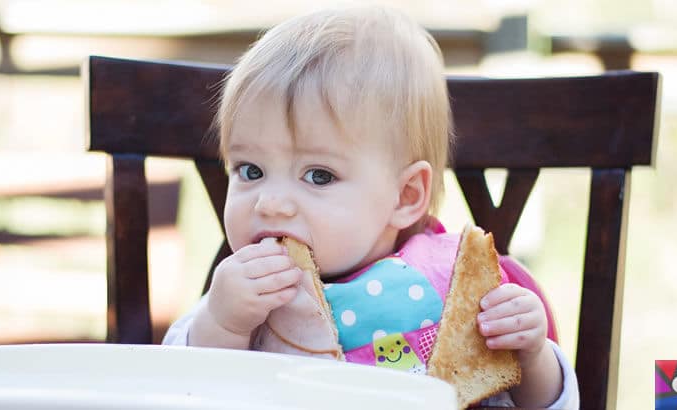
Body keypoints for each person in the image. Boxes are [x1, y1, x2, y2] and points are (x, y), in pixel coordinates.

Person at [164, 6, 579, 408]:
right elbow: (173, 390)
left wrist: (532, 355)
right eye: (250, 170)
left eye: (319, 175)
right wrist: (222, 324)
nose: (269, 202)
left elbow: (551, 404)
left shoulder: (455, 294)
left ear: (405, 197)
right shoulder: (244, 300)